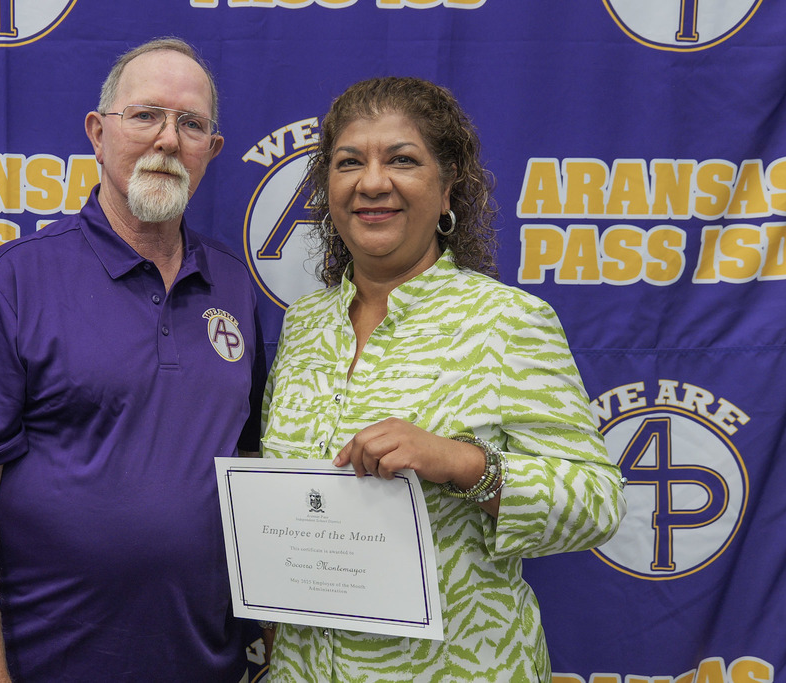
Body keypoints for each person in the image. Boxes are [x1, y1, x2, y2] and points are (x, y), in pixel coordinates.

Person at [260, 77, 626, 682]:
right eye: (350, 162)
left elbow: (596, 504)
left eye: (402, 160)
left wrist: (463, 463)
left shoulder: (506, 322)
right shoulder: (304, 327)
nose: (372, 183)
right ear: (328, 189)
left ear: (449, 184)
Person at [0, 37, 264, 682]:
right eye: (145, 115)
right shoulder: (16, 281)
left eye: (190, 124)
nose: (168, 139)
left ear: (211, 152)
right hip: (48, 665)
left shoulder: (233, 284)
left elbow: (248, 463)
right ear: (97, 133)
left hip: (206, 665)